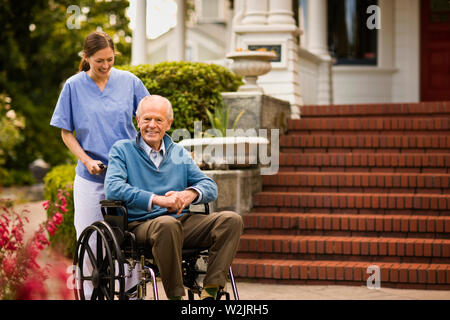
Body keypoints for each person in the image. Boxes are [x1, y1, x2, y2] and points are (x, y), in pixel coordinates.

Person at [104, 95, 244, 300]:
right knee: (167, 224)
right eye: (147, 119)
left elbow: (210, 186)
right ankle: (177, 297)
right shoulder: (122, 150)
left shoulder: (179, 152)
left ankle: (211, 291)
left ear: (169, 124)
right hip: (141, 225)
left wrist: (188, 195)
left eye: (159, 120)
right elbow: (113, 189)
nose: (152, 125)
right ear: (138, 121)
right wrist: (157, 199)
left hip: (182, 222)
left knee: (232, 220)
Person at [50, 31, 150, 296]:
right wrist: (86, 159)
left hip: (126, 176)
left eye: (110, 59)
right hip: (90, 178)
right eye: (98, 61)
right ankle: (90, 292)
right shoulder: (73, 86)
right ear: (86, 58)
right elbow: (65, 131)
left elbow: (148, 119)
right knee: (90, 241)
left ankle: (129, 292)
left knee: (127, 241)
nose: (105, 66)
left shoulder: (129, 82)